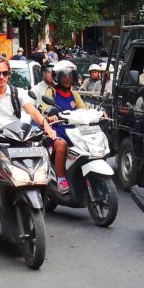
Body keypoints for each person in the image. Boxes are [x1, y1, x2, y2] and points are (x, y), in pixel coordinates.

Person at [0, 56, 57, 221]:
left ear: (9, 75)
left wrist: (46, 127)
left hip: (17, 140)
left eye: (5, 73)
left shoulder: (17, 92)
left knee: (38, 161)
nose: (1, 77)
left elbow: (32, 111)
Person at [44, 61, 89, 193]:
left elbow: (83, 109)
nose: (67, 78)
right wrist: (50, 115)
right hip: (56, 130)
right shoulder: (51, 91)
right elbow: (45, 109)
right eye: (64, 75)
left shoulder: (74, 94)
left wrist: (97, 114)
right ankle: (61, 178)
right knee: (61, 145)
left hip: (74, 132)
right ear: (57, 77)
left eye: (70, 75)